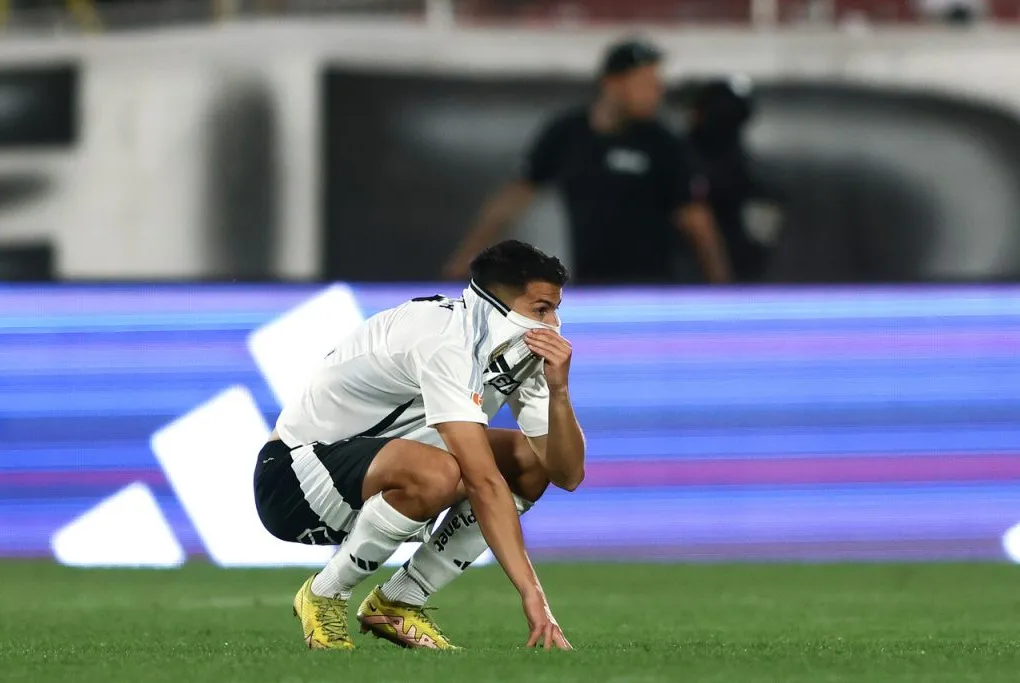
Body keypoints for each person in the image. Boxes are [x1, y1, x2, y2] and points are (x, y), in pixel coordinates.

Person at [253, 240, 585, 651]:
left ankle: (400, 601)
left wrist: (560, 391)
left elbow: (566, 474)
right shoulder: (444, 341)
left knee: (527, 463)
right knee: (440, 473)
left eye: (556, 309)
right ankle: (324, 594)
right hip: (293, 481)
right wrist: (533, 595)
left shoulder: (517, 350)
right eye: (540, 309)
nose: (552, 324)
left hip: (384, 465)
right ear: (496, 306)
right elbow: (482, 482)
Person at [443, 38, 732, 285]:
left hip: (651, 291)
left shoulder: (662, 143)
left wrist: (721, 286)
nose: (657, 91)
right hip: (591, 286)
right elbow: (515, 197)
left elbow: (697, 220)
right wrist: (466, 256)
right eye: (646, 82)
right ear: (612, 83)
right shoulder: (567, 134)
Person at [683, 78, 770, 282]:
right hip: (688, 270)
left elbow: (762, 232)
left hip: (731, 268)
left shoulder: (742, 165)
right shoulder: (681, 157)